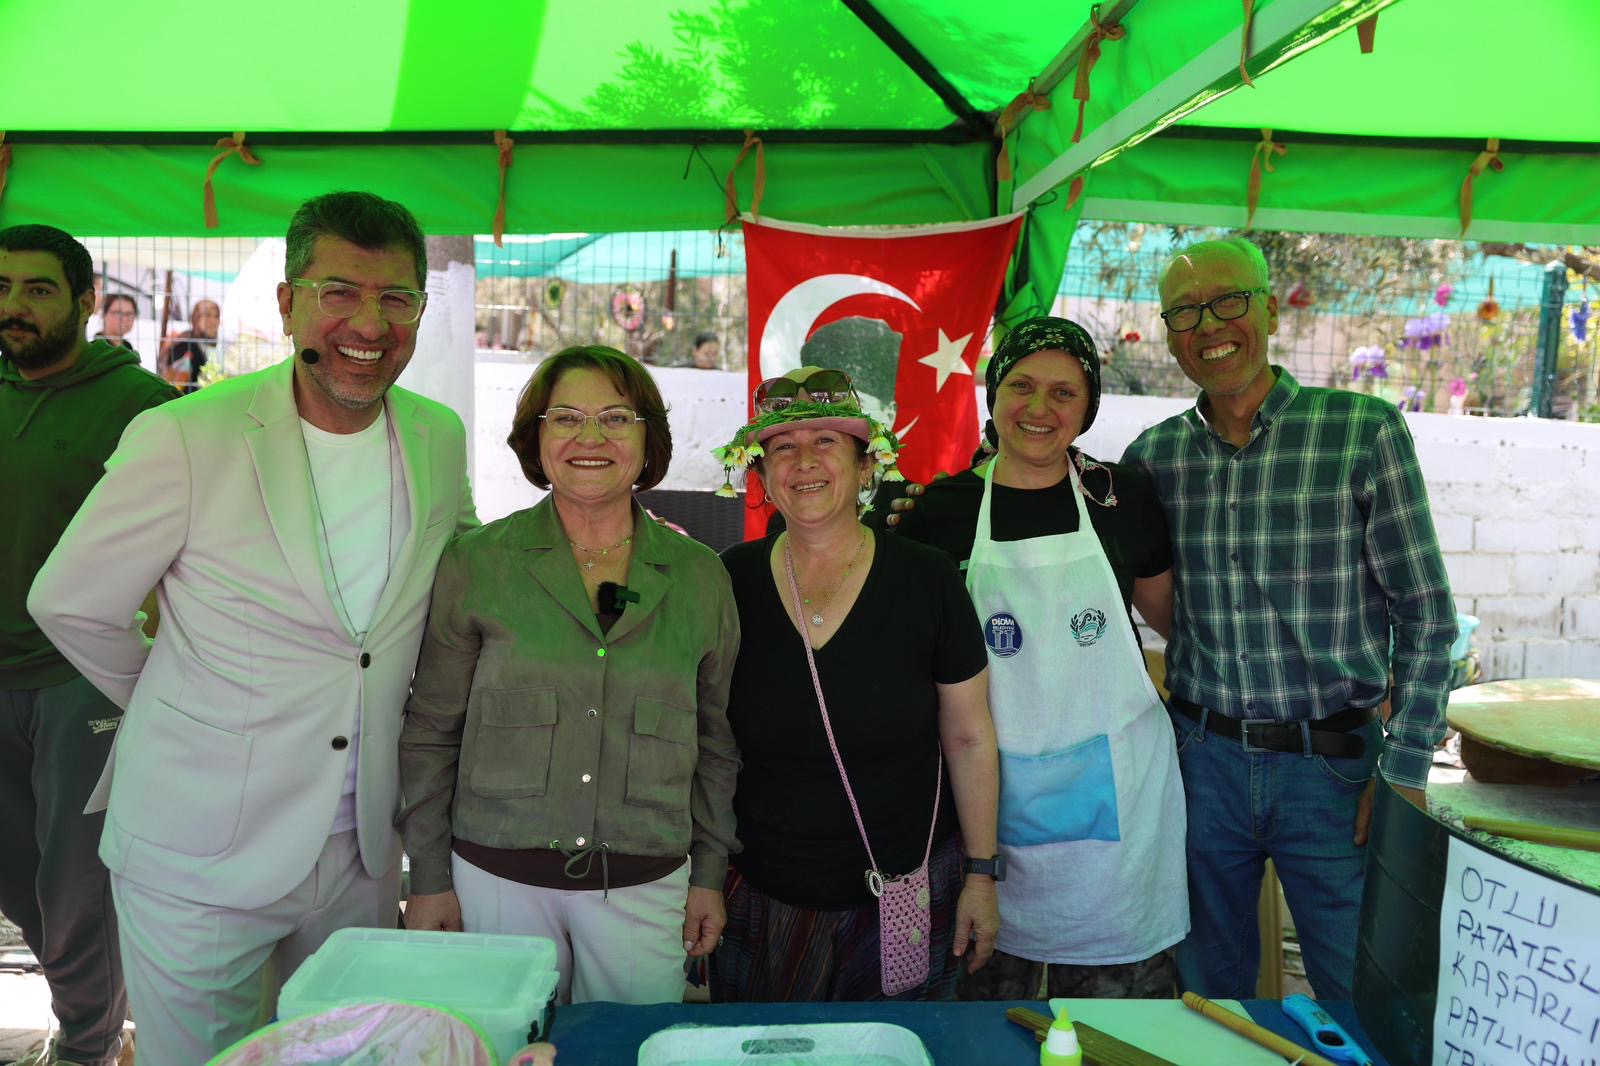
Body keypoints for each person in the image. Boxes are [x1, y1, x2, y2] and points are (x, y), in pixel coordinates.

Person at [28, 191, 479, 1064]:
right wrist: (180, 691)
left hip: (361, 849)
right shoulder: (185, 435)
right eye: (339, 292)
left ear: (420, 311)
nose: (369, 324)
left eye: (396, 299)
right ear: (288, 303)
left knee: (344, 1055)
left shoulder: (437, 435)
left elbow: (458, 576)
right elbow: (71, 601)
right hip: (196, 847)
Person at [1122, 236, 1455, 1001]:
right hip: (1202, 766)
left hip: (1334, 772)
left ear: (1271, 310)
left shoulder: (1363, 433)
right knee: (1208, 1003)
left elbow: (1427, 617)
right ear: (1168, 334)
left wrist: (1404, 769)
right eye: (1185, 311)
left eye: (1229, 300)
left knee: (1359, 1000)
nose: (1210, 325)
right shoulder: (1154, 459)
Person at [399, 345, 740, 1006]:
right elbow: (431, 730)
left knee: (627, 1049)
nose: (590, 438)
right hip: (495, 882)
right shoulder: (478, 563)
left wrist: (709, 872)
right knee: (502, 1044)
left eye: (615, 418)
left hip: (646, 885)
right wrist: (430, 877)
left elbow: (717, 742)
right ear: (536, 437)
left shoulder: (701, 577)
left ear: (648, 438)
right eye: (566, 419)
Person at [893, 316, 1188, 1001]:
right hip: (985, 801)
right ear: (994, 394)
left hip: (1119, 801)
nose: (1039, 407)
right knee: (990, 1014)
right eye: (1021, 386)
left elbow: (1174, 624)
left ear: (1088, 408)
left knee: (1117, 1023)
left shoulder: (1122, 500)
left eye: (1064, 392)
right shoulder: (942, 510)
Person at [708, 366, 1000, 1002]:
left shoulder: (927, 579)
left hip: (904, 892)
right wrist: (704, 878)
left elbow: (970, 736)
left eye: (827, 442)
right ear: (761, 474)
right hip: (764, 896)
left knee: (894, 1045)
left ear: (867, 466)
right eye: (782, 447)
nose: (804, 461)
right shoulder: (728, 581)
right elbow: (707, 742)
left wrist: (982, 874)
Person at [0, 225, 179, 1066]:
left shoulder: (143, 407)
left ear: (83, 301)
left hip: (85, 681)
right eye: (2, 288)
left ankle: (90, 1043)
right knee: (17, 875)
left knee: (74, 883)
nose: (14, 306)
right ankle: (98, 1013)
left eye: (37, 289)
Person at [157, 297, 220, 389]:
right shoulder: (186, 346)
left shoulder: (205, 347)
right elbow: (174, 387)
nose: (213, 321)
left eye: (216, 316)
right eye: (208, 315)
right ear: (195, 318)